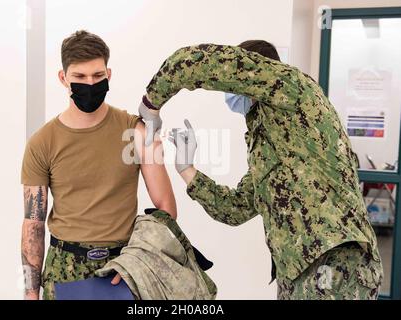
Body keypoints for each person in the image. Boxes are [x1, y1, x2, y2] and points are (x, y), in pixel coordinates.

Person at [139, 40, 383, 299]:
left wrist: (151, 103)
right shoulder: (274, 139)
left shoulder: (294, 88)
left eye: (236, 82)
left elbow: (196, 62)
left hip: (335, 260)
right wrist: (187, 169)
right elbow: (235, 209)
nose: (230, 91)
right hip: (297, 273)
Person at [21, 30, 177, 300]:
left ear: (109, 75)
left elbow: (166, 208)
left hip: (122, 267)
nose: (90, 84)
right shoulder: (42, 142)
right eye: (79, 77)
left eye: (97, 76)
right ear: (63, 78)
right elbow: (33, 225)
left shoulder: (135, 132)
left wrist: (138, 261)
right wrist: (30, 293)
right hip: (64, 269)